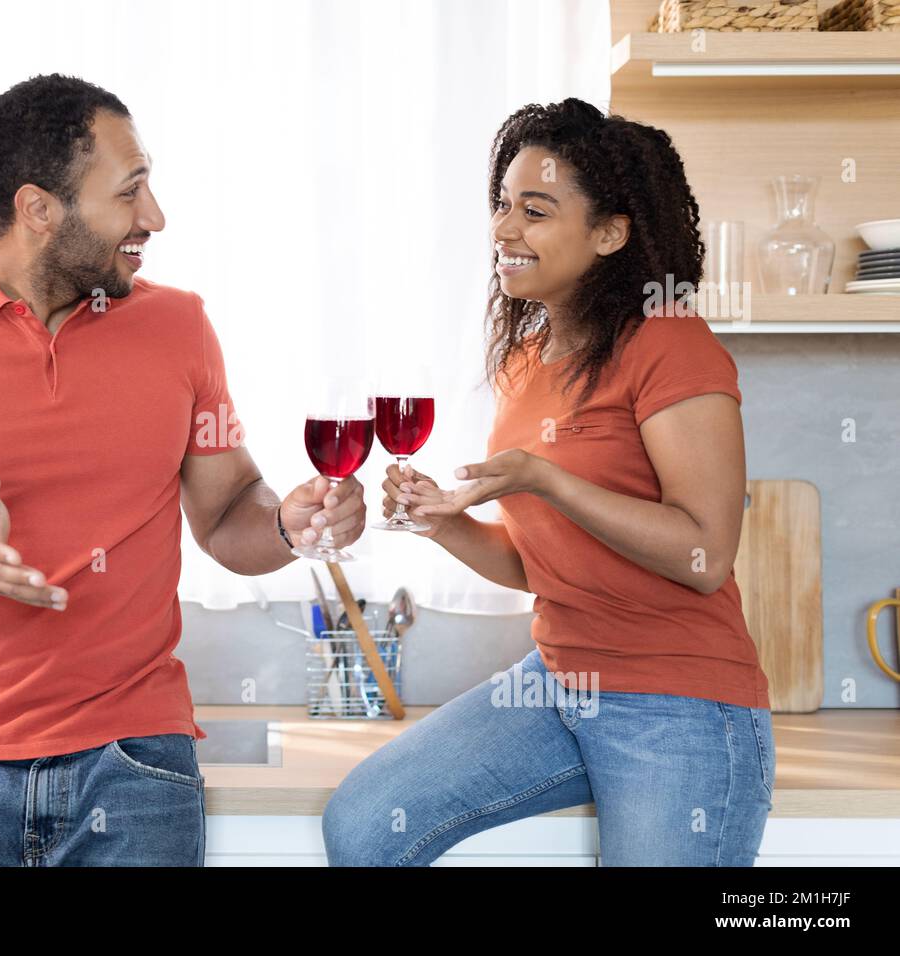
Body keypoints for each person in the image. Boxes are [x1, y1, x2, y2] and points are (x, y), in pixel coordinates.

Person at [0, 73, 367, 866]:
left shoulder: (179, 325)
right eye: (129, 192)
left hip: (133, 765)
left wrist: (289, 523)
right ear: (38, 209)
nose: (155, 217)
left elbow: (229, 510)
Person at [322, 98, 775, 867]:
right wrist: (443, 521)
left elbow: (706, 552)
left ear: (609, 233)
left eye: (534, 211)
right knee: (367, 824)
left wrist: (545, 478)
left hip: (680, 702)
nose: (503, 231)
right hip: (556, 684)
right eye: (502, 206)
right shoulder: (525, 362)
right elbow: (540, 563)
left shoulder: (670, 343)